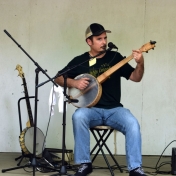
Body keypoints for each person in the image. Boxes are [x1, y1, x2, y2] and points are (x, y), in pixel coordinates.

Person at [55, 23, 145, 176]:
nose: (104, 42)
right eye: (99, 39)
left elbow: (136, 77)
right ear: (89, 42)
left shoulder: (116, 57)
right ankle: (85, 163)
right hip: (91, 110)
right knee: (78, 116)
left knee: (132, 123)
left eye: (105, 38)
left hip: (114, 109)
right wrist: (74, 83)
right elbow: (58, 78)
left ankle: (135, 168)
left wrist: (140, 63)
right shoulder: (81, 60)